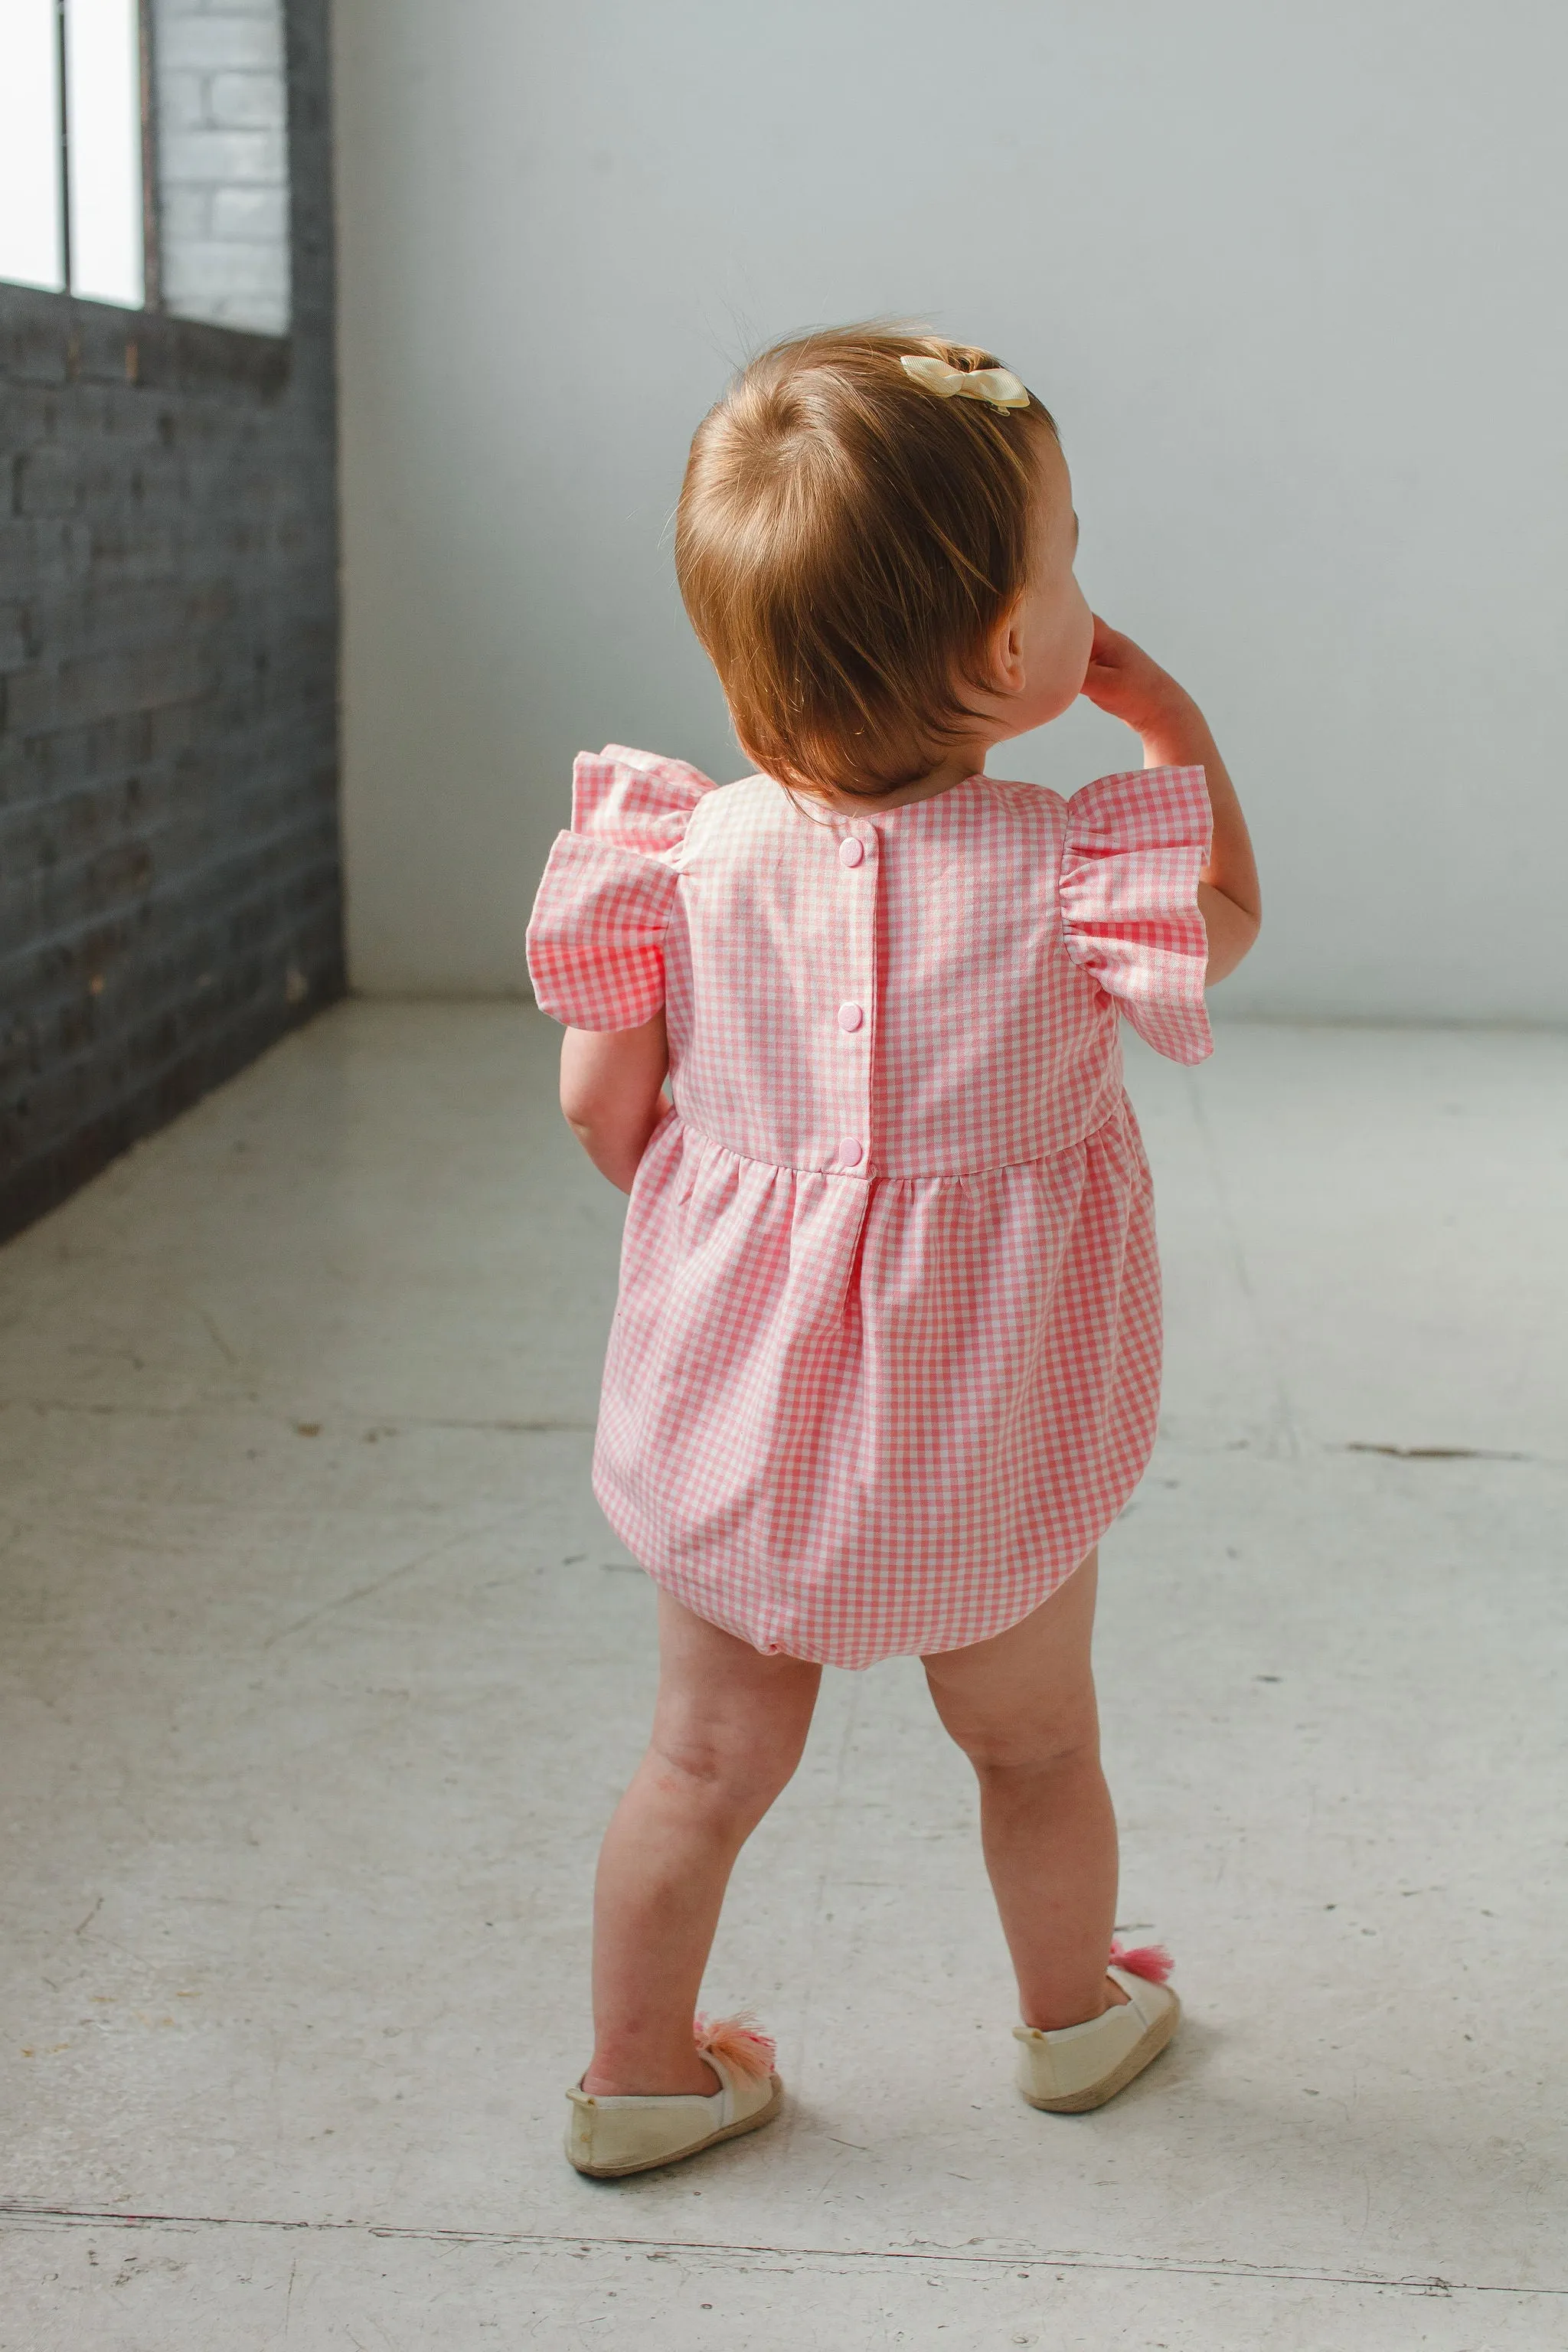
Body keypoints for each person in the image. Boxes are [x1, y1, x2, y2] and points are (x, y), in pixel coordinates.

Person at [526, 326, 1261, 2179]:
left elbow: (598, 1109)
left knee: (698, 1764)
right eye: (1067, 553)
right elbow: (1229, 918)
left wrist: (738, 1216)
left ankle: (639, 2075)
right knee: (1032, 1749)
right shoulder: (1072, 867)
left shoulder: (675, 858)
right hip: (988, 1434)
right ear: (1010, 656)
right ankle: (1076, 2022)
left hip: (741, 1423)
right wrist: (1176, 730)